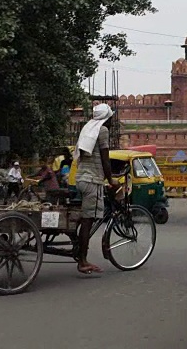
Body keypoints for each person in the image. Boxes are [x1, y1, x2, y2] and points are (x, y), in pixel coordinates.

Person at [74, 103, 117, 274]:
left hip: (81, 178)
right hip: (92, 181)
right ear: (107, 118)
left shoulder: (88, 128)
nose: (112, 121)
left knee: (85, 218)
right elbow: (106, 159)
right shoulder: (103, 131)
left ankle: (78, 249)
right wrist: (111, 179)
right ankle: (83, 261)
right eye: (111, 118)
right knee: (88, 220)